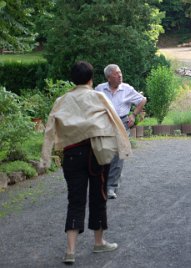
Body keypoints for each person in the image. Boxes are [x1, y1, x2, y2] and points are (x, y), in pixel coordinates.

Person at [40, 61, 132, 264]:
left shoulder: (62, 100)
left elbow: (49, 129)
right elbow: (115, 121)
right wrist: (124, 148)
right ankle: (99, 242)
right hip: (96, 153)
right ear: (91, 79)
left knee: (75, 200)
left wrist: (45, 158)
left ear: (72, 79)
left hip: (71, 155)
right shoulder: (98, 96)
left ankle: (70, 250)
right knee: (99, 196)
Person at [95, 64, 146, 199]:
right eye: (116, 74)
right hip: (105, 124)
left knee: (118, 154)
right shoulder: (100, 89)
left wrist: (133, 115)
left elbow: (142, 100)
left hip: (122, 122)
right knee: (105, 153)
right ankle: (107, 180)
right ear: (108, 77)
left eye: (120, 73)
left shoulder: (126, 89)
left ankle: (111, 186)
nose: (120, 76)